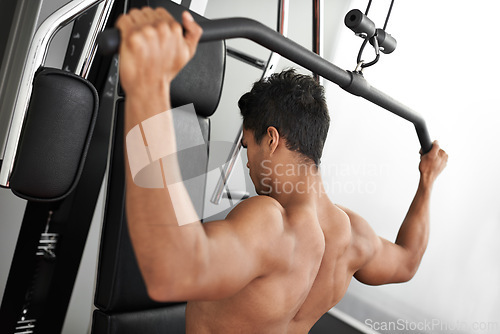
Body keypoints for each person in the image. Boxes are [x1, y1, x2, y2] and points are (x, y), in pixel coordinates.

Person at [117, 7, 448, 333]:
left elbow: (170, 274)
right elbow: (407, 261)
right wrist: (427, 180)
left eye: (248, 146)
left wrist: (148, 89)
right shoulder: (354, 236)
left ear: (272, 139)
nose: (246, 162)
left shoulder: (271, 223)